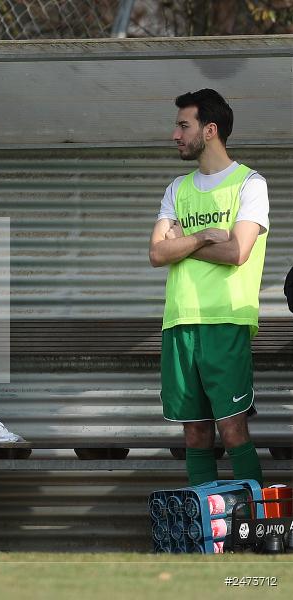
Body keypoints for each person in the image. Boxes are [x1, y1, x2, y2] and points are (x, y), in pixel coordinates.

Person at [148, 89, 268, 486]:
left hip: (226, 322)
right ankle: (208, 536)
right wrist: (203, 238)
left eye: (184, 125)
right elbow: (156, 253)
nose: (175, 134)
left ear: (210, 130)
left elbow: (237, 251)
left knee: (233, 431)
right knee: (195, 434)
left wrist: (183, 240)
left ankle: (258, 527)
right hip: (179, 325)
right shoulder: (176, 189)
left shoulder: (249, 183)